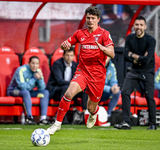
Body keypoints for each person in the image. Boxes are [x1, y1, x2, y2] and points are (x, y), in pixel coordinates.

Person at [47, 6, 114, 135]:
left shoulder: (104, 34)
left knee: (91, 107)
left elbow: (112, 54)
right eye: (88, 18)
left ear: (98, 20)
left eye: (92, 18)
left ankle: (94, 113)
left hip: (97, 76)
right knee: (68, 94)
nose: (90, 20)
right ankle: (57, 124)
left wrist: (103, 49)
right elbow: (66, 44)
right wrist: (64, 45)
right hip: (82, 72)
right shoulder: (80, 33)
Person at [114, 16, 157, 130]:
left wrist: (133, 55)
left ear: (145, 27)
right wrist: (139, 57)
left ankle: (152, 124)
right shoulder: (129, 38)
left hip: (147, 70)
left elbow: (147, 60)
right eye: (136, 24)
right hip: (134, 70)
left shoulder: (151, 40)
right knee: (125, 92)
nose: (138, 27)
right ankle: (126, 122)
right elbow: (125, 56)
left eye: (141, 25)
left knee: (149, 96)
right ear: (134, 26)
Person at [6, 56, 51, 125]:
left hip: (28, 92)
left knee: (45, 92)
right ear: (29, 63)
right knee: (26, 92)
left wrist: (40, 79)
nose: (34, 66)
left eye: (36, 64)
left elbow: (42, 88)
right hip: (14, 90)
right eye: (33, 63)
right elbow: (22, 87)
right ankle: (29, 118)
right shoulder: (21, 70)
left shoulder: (38, 71)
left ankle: (43, 119)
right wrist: (34, 78)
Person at [47, 47, 88, 112]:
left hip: (70, 90)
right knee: (66, 88)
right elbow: (59, 81)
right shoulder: (57, 64)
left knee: (85, 89)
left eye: (71, 55)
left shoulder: (76, 65)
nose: (69, 57)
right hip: (56, 90)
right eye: (67, 55)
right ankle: (63, 116)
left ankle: (85, 113)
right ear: (63, 55)